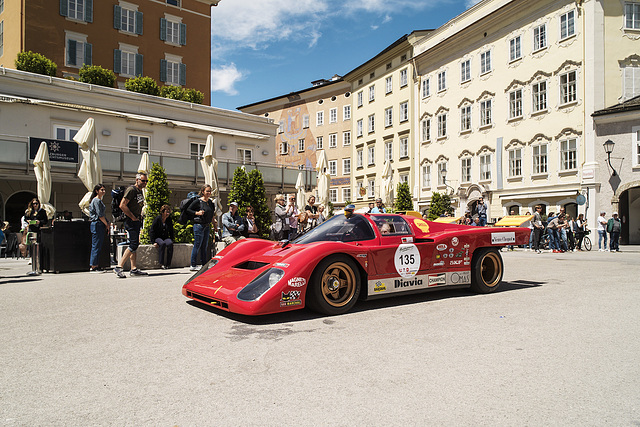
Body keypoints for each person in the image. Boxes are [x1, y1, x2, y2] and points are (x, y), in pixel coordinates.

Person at [114, 173, 148, 278]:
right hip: (131, 220)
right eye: (143, 181)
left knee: (135, 243)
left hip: (136, 220)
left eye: (146, 181)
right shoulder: (131, 190)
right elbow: (122, 205)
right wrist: (132, 217)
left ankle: (134, 269)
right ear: (137, 180)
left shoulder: (139, 191)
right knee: (133, 244)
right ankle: (119, 266)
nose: (145, 183)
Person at [188, 184, 217, 271]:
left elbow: (212, 215)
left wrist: (214, 225)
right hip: (199, 225)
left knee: (205, 246)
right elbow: (189, 210)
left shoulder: (211, 203)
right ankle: (193, 264)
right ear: (203, 191)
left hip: (207, 226)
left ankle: (204, 264)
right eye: (207, 191)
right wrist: (197, 213)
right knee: (197, 245)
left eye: (210, 191)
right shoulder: (198, 201)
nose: (209, 193)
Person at [89, 184, 109, 272]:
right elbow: (100, 215)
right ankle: (94, 265)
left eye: (104, 190)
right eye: (101, 190)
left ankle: (95, 264)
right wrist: (107, 224)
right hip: (97, 224)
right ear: (97, 191)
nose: (103, 191)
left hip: (98, 224)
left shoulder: (98, 200)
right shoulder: (96, 201)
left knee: (98, 245)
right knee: (96, 245)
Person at [150, 204, 174, 269]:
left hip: (165, 237)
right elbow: (152, 230)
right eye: (166, 212)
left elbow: (171, 230)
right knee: (162, 244)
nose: (168, 214)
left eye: (169, 212)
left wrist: (172, 239)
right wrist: (153, 242)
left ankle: (168, 264)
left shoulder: (169, 220)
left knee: (170, 244)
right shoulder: (158, 219)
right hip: (158, 237)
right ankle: (161, 263)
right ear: (163, 212)